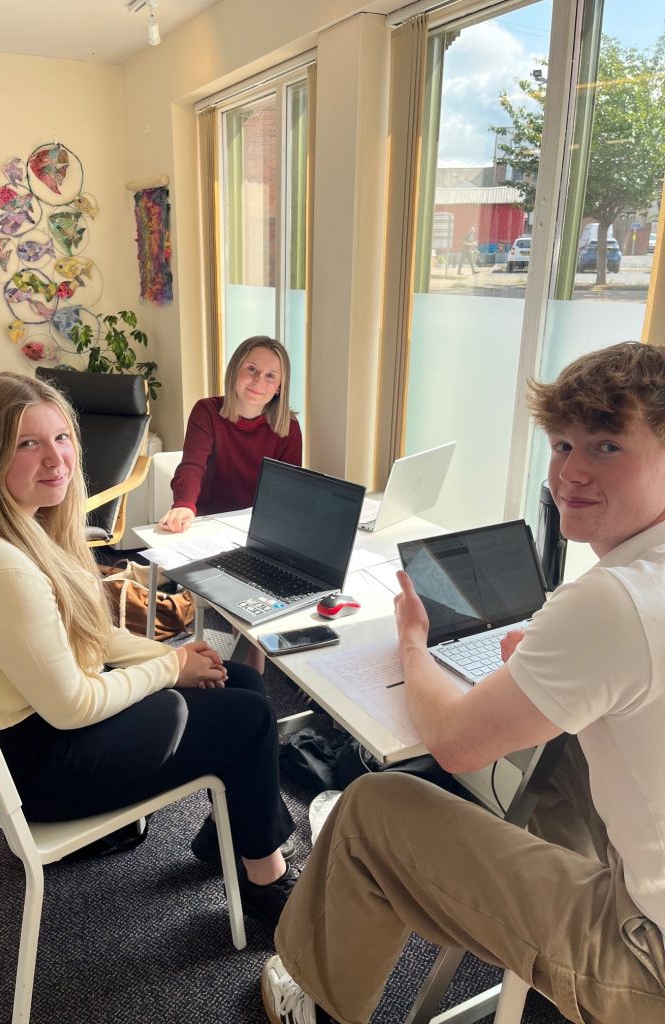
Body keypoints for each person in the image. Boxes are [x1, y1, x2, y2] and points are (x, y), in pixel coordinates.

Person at [261, 341, 665, 1023]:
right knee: (557, 757)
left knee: (371, 809)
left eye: (605, 447)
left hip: (645, 958)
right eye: (563, 444)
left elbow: (453, 744)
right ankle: (452, 886)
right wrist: (541, 671)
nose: (569, 473)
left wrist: (415, 645)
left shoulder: (614, 601)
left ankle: (316, 1001)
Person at [0, 371, 297, 928]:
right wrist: (169, 666)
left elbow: (86, 634)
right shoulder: (1, 568)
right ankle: (266, 882)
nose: (57, 460)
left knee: (238, 680)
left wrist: (173, 662)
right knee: (251, 717)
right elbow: (72, 706)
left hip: (14, 740)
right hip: (37, 771)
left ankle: (230, 834)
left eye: (61, 438)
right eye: (28, 444)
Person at [159, 336, 302, 533]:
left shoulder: (289, 426)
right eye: (252, 369)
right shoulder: (206, 411)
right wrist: (183, 504)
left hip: (258, 527)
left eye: (271, 376)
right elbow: (192, 466)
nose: (259, 380)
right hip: (209, 522)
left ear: (279, 387)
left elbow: (289, 489)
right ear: (235, 370)